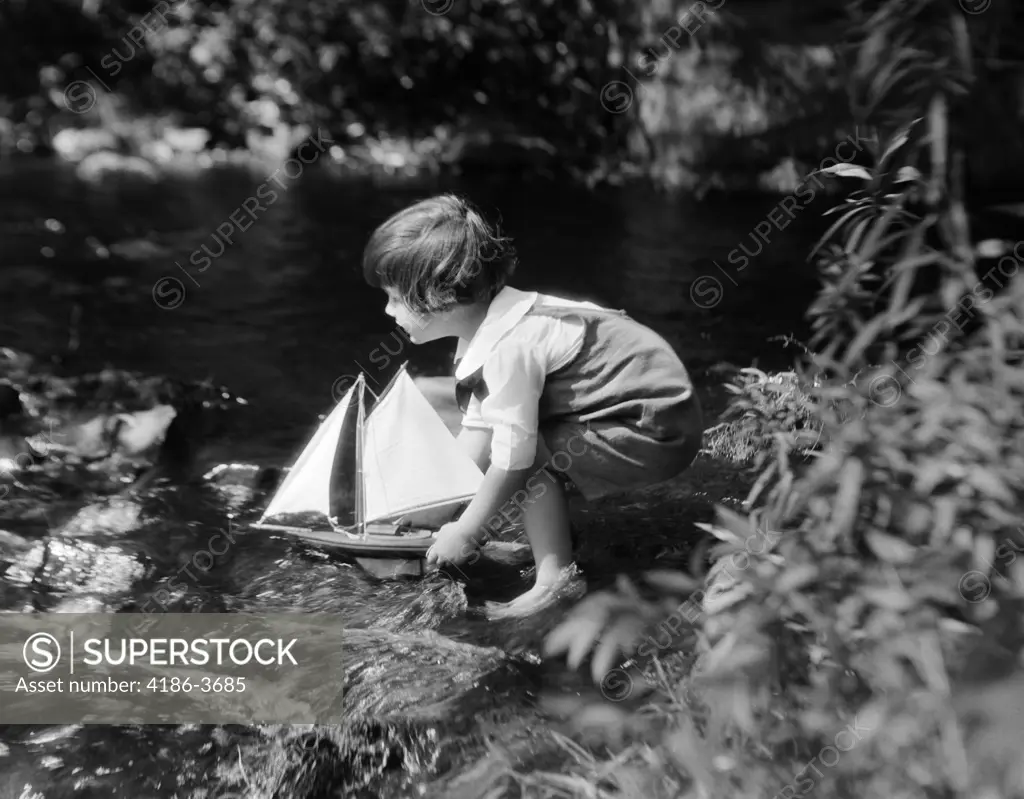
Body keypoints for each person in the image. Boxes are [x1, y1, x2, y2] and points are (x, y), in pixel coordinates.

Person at [362, 195, 704, 613]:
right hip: (639, 412)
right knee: (511, 439)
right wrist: (435, 511)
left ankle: (555, 579)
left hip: (656, 429)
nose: (387, 309)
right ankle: (547, 537)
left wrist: (468, 529)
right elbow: (477, 432)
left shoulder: (510, 347)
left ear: (444, 295)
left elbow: (511, 460)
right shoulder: (488, 328)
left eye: (396, 298)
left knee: (529, 457)